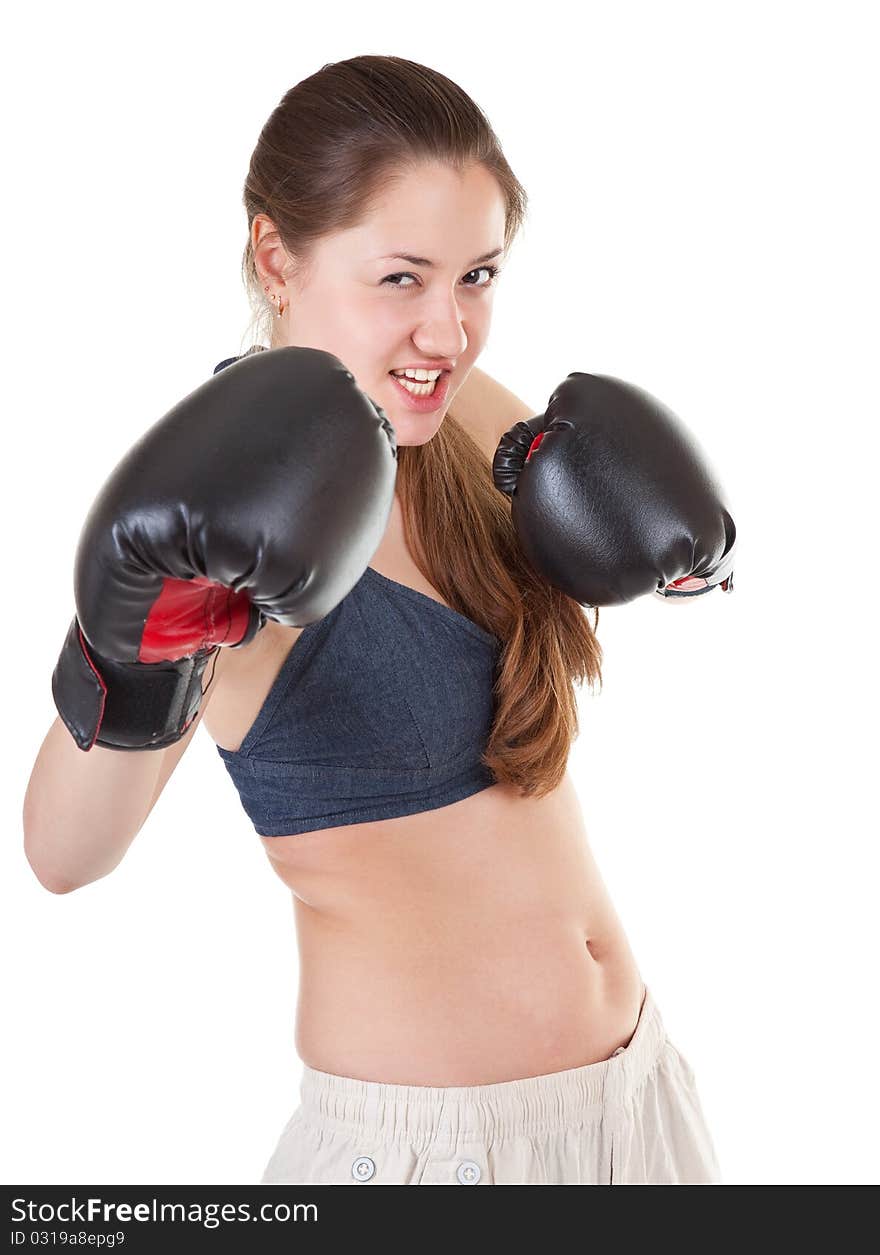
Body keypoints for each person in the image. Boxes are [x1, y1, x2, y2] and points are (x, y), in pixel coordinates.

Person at [24, 55, 724, 1185]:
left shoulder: (443, 414)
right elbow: (63, 854)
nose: (448, 332)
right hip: (424, 1159)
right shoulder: (220, 513)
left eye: (478, 274)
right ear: (276, 258)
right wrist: (137, 632)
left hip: (635, 1102)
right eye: (401, 278)